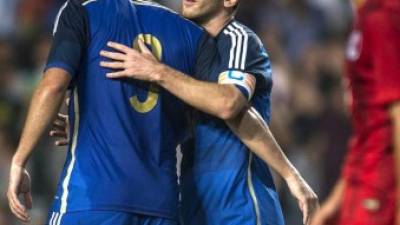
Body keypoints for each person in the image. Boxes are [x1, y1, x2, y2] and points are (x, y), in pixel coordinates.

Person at [98, 0, 319, 225]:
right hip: (195, 207)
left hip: (240, 206)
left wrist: (158, 71)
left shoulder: (238, 39)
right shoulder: (185, 53)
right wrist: (91, 124)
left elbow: (229, 103)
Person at [6, 0, 219, 224]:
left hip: (91, 199)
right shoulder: (193, 34)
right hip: (161, 205)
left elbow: (53, 86)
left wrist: (19, 160)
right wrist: (95, 127)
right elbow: (202, 118)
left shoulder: (83, 11)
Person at [311, 0, 400, 224]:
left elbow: (398, 112)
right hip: (363, 179)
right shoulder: (364, 18)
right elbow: (367, 127)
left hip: (381, 187)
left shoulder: (382, 19)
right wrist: (338, 198)